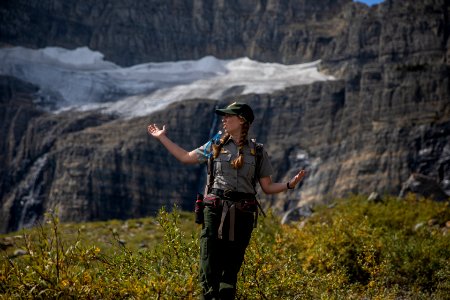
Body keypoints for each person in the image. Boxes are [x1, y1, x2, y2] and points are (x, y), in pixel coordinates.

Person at [147, 102, 306, 300]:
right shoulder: (214, 145)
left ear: (241, 120)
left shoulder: (257, 151)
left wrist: (290, 184)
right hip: (215, 210)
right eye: (223, 116)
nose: (224, 119)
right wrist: (162, 137)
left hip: (243, 215)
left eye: (228, 116)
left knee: (232, 267)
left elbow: (267, 187)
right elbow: (186, 157)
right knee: (209, 263)